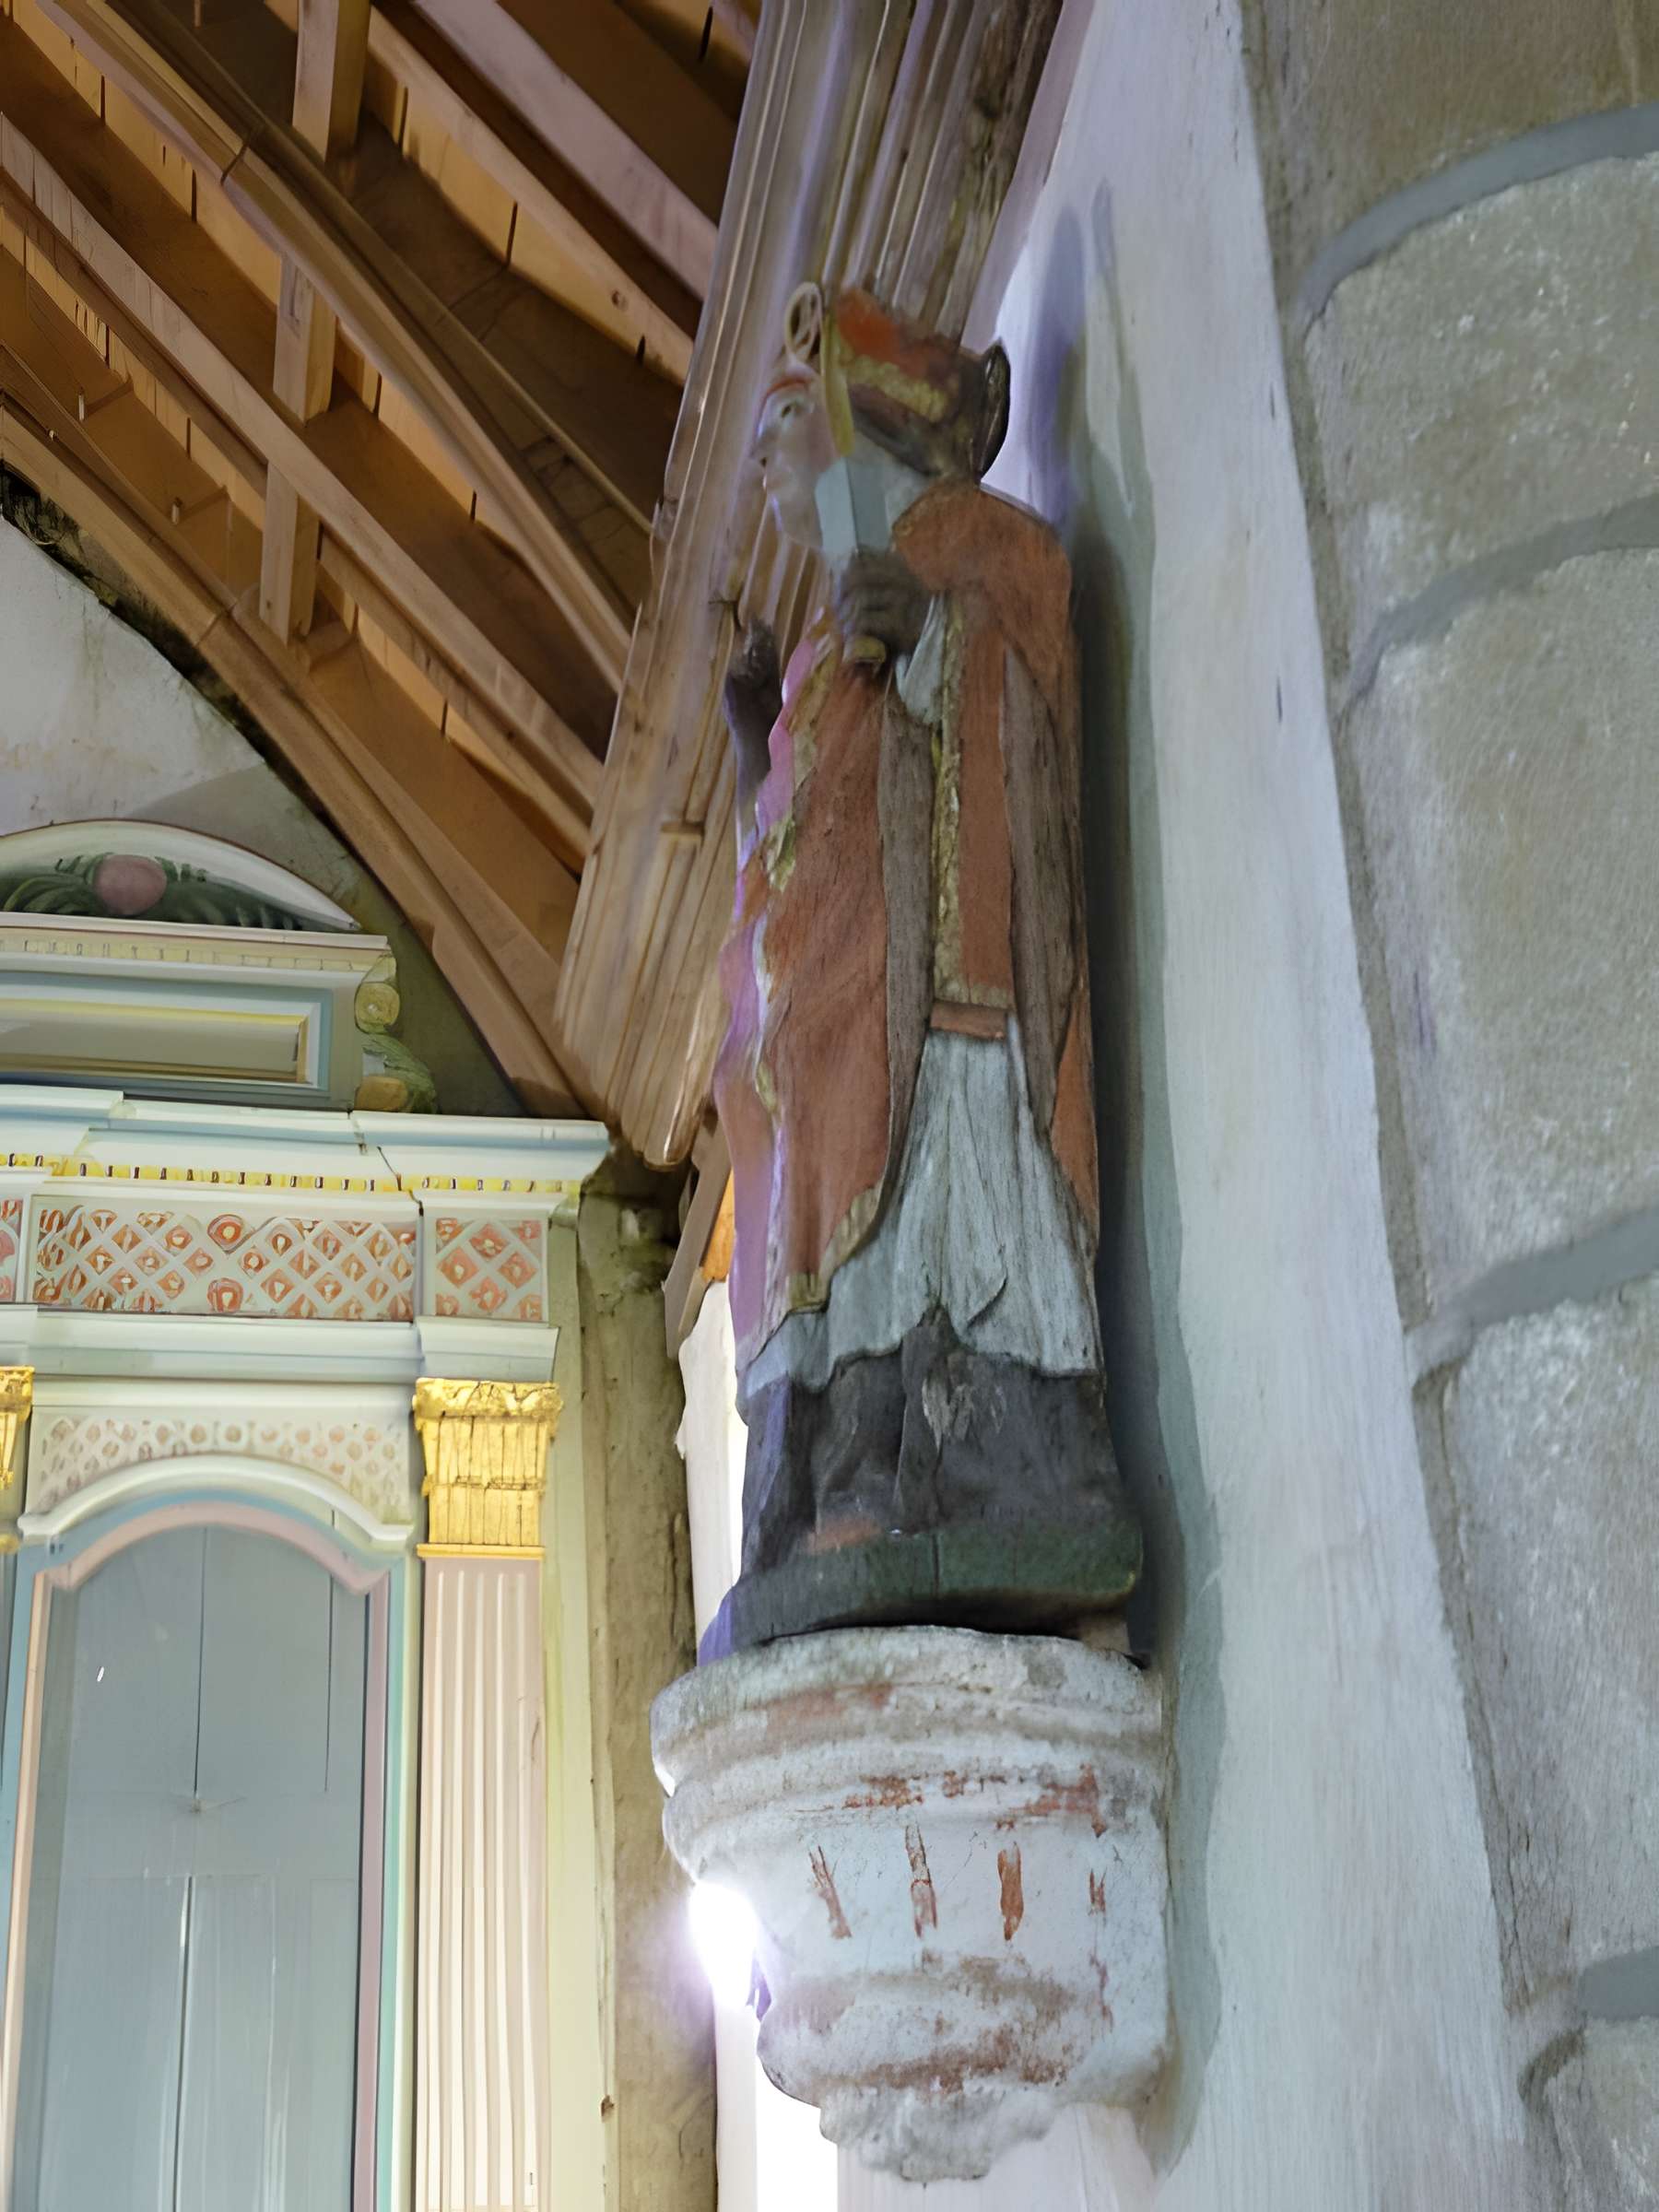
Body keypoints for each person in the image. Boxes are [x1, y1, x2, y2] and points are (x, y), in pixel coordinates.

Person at [706, 286, 1138, 1658]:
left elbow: (1026, 697)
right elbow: (794, 837)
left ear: (861, 430)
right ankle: (845, 1479)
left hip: (949, 996)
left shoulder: (975, 542)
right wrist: (752, 743)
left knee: (948, 1228)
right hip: (835, 1023)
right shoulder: (837, 617)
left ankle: (1000, 1475)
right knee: (849, 1250)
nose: (774, 471)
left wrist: (933, 633)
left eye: (790, 434)